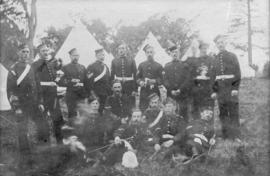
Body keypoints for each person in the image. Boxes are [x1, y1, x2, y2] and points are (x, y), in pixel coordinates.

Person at [7, 44, 50, 168]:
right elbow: (11, 91)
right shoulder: (13, 69)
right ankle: (26, 161)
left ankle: (43, 155)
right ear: (18, 53)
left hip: (34, 104)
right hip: (22, 105)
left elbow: (38, 86)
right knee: (23, 132)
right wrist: (17, 107)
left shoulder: (31, 68)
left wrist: (41, 102)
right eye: (23, 51)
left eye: (27, 52)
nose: (26, 54)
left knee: (43, 127)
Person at [33, 43, 64, 144]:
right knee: (43, 121)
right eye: (43, 51)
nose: (46, 53)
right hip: (42, 96)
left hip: (53, 96)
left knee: (58, 119)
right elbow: (34, 82)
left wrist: (58, 77)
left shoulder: (50, 64)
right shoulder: (35, 65)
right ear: (39, 53)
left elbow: (54, 80)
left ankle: (60, 143)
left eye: (47, 50)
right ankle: (46, 145)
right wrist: (48, 84)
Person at [212, 35, 241, 142]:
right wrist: (214, 90)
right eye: (218, 43)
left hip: (230, 88)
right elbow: (213, 76)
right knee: (223, 112)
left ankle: (236, 135)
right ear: (216, 45)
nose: (220, 44)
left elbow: (237, 73)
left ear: (225, 43)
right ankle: (225, 135)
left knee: (233, 112)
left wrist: (235, 88)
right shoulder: (215, 58)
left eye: (222, 42)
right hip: (220, 89)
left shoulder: (232, 56)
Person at [58, 48, 88, 124]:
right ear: (70, 56)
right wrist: (71, 81)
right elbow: (59, 81)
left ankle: (83, 132)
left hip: (81, 93)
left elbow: (86, 81)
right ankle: (72, 132)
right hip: (71, 94)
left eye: (77, 55)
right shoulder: (65, 68)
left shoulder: (83, 67)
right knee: (72, 115)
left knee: (83, 113)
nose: (76, 57)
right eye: (74, 55)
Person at [164, 45, 191, 122]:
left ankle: (184, 130)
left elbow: (187, 79)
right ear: (170, 54)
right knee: (171, 113)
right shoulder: (167, 66)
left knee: (183, 113)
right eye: (172, 52)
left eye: (176, 52)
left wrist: (180, 89)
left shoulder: (185, 65)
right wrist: (171, 90)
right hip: (171, 94)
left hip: (182, 94)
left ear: (179, 53)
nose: (174, 54)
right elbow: (165, 80)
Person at [189, 41, 215, 119]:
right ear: (199, 49)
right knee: (196, 111)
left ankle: (209, 130)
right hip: (197, 90)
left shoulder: (211, 60)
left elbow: (214, 76)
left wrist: (213, 90)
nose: (204, 50)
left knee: (208, 111)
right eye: (202, 48)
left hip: (208, 90)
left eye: (205, 48)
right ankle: (197, 130)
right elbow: (192, 76)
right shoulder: (195, 61)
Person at [137, 44, 163, 111]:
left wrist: (155, 81)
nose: (149, 54)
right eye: (148, 52)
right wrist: (140, 82)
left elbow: (162, 79)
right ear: (145, 53)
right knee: (143, 108)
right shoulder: (141, 65)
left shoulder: (159, 66)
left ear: (154, 53)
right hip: (144, 91)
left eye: (151, 52)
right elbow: (137, 78)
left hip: (154, 91)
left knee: (155, 109)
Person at [86, 48, 111, 114]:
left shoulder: (106, 67)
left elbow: (108, 80)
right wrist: (92, 93)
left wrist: (108, 92)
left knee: (102, 111)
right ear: (96, 56)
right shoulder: (91, 66)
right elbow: (88, 81)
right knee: (95, 112)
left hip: (104, 93)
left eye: (103, 55)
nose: (102, 57)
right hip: (95, 93)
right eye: (100, 55)